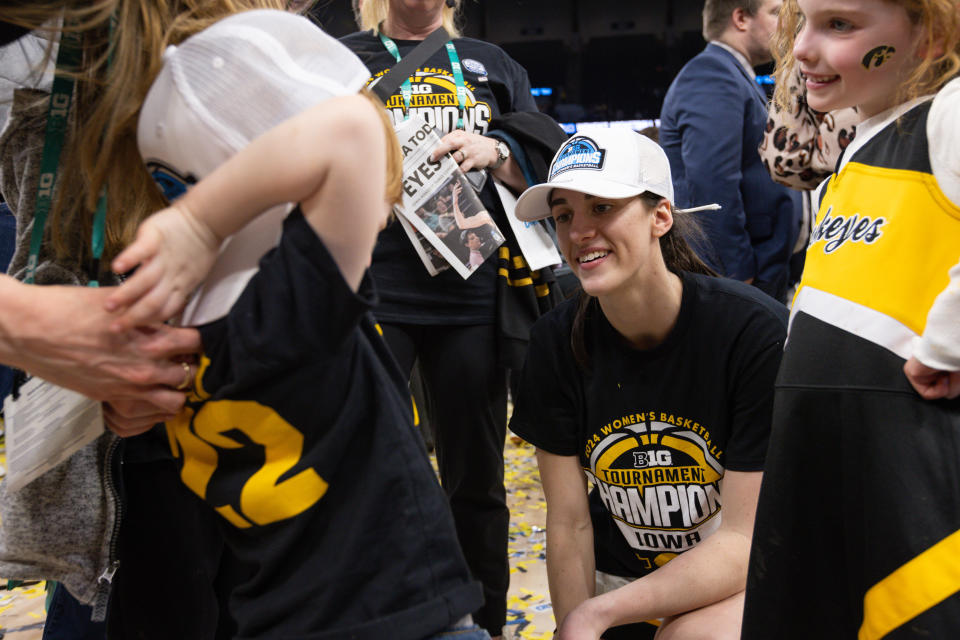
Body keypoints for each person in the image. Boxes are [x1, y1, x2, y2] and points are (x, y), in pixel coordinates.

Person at [103, 10, 488, 639]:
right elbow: (355, 133)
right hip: (389, 611)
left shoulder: (172, 325)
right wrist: (201, 221)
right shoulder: (292, 296)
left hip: (283, 614)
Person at [509, 129, 788, 640]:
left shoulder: (752, 331)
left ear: (660, 217)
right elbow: (569, 524)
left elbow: (743, 538)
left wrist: (598, 614)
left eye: (601, 208)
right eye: (565, 214)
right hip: (624, 581)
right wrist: (576, 622)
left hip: (744, 572)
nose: (577, 233)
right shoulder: (554, 340)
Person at [342, 2, 567, 636]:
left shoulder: (492, 66)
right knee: (379, 472)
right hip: (376, 288)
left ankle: (487, 622)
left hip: (473, 293)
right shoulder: (342, 61)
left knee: (477, 478)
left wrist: (496, 148)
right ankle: (395, 619)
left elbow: (551, 159)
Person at [741, 0, 960, 637]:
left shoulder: (946, 114)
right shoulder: (863, 139)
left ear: (931, 32)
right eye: (800, 23)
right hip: (823, 471)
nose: (803, 49)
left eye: (840, 25)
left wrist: (945, 346)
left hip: (905, 479)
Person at [659, 0, 801, 302]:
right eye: (775, 13)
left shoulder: (729, 72)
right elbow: (712, 181)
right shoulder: (712, 73)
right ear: (741, 18)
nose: (786, 24)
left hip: (758, 262)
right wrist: (733, 270)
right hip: (743, 270)